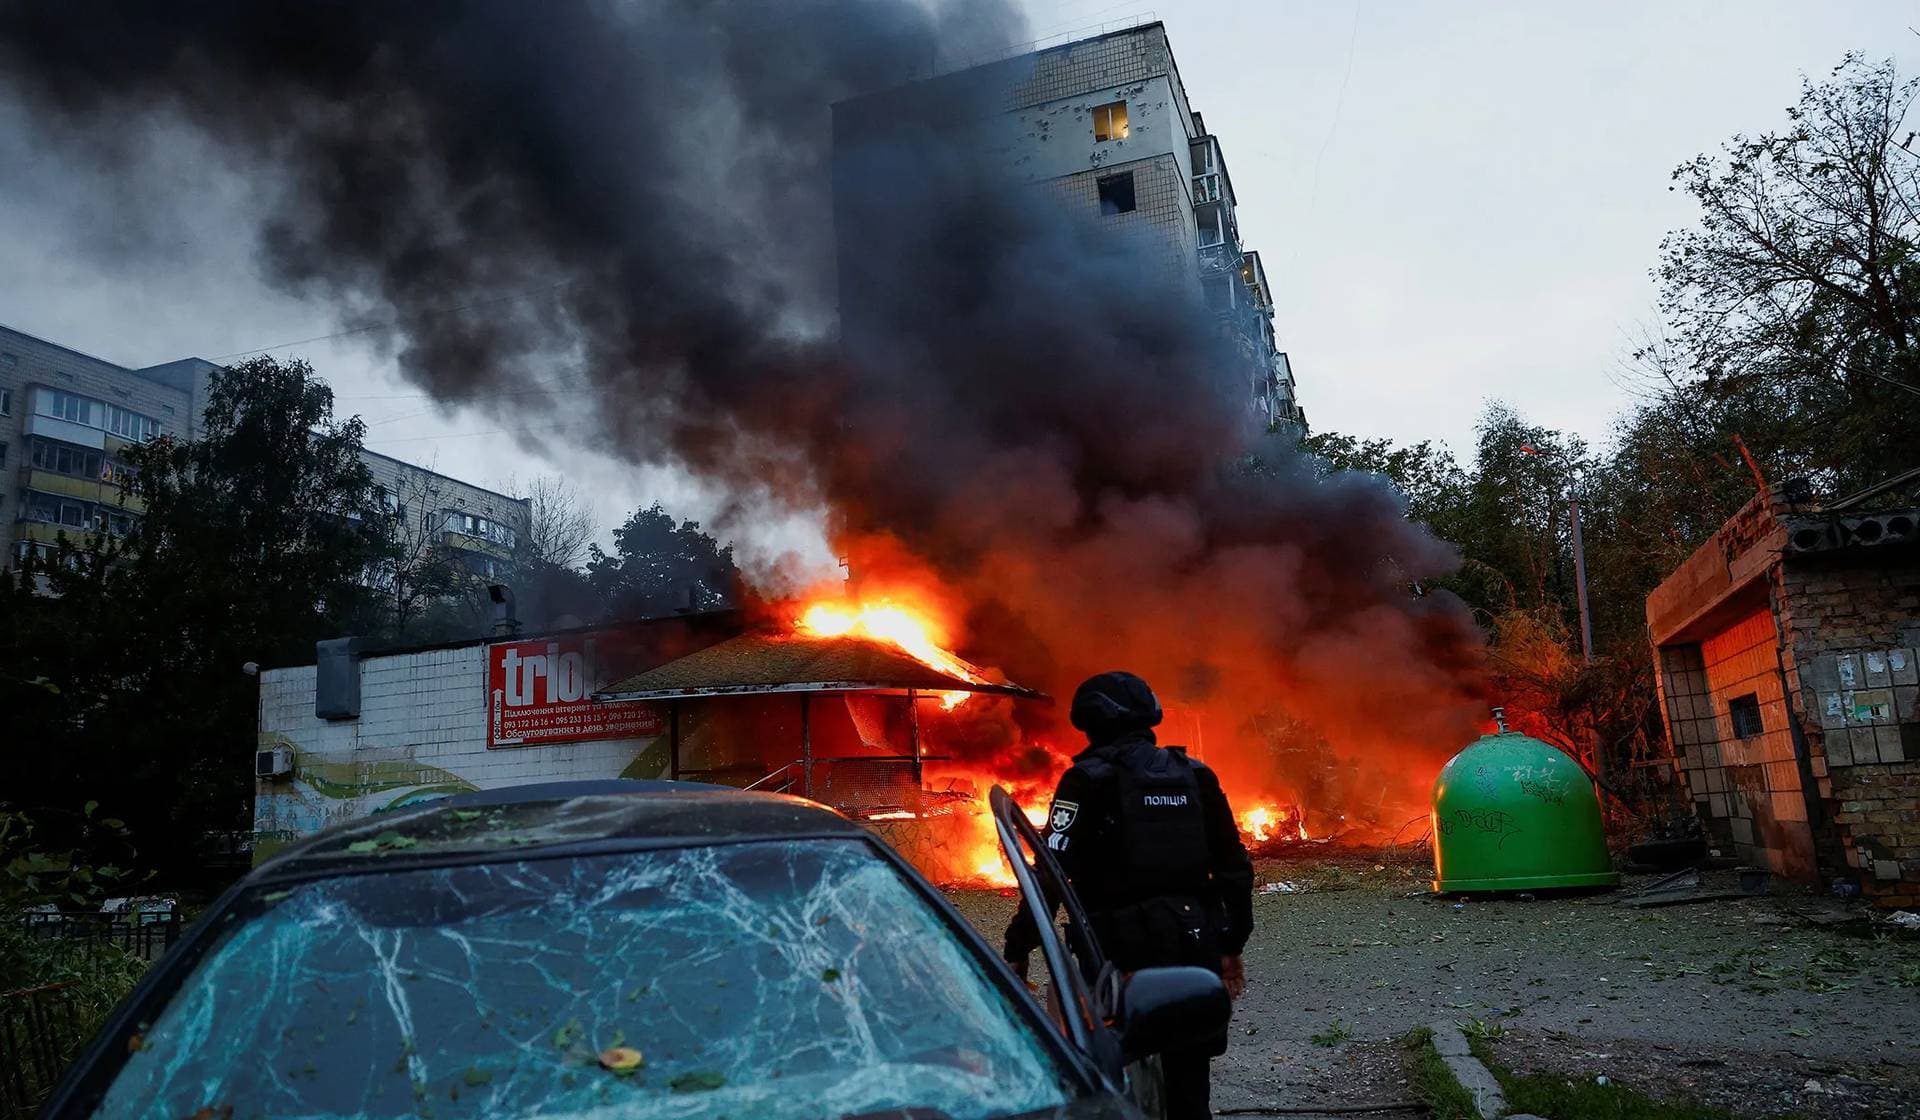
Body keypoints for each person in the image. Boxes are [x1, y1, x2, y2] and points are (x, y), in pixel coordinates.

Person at [1003, 670, 1254, 1120]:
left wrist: (1018, 946)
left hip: (1117, 955)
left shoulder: (1085, 781)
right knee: (1189, 1081)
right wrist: (1230, 945)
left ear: (1089, 722)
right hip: (1194, 946)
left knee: (1108, 1070)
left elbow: (1050, 874)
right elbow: (1235, 870)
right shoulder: (1196, 776)